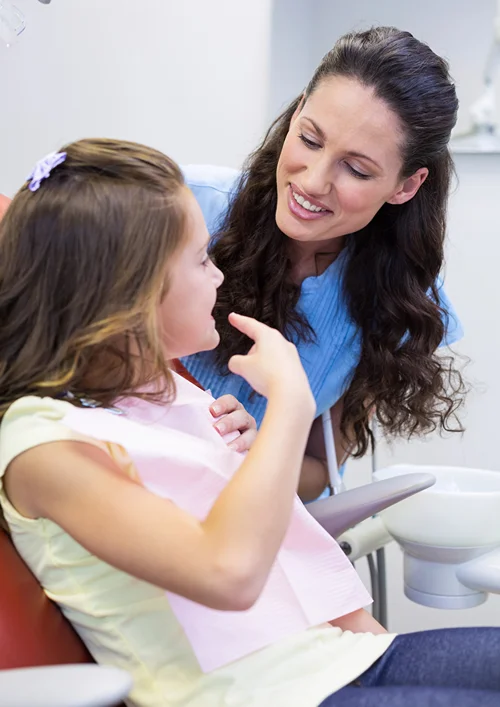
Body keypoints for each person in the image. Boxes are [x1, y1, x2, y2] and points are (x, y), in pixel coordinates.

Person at [0, 138, 499, 707]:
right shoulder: (43, 444)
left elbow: (277, 554)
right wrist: (289, 402)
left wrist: (255, 451)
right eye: (201, 259)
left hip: (344, 661)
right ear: (131, 295)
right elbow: (227, 574)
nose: (218, 278)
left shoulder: (162, 400)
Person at [182, 26, 467, 501]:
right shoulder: (187, 207)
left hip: (247, 520)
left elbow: (320, 470)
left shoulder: (403, 299)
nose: (313, 182)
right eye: (310, 139)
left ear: (406, 186)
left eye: (356, 170)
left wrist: (262, 450)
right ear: (296, 115)